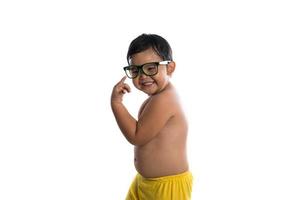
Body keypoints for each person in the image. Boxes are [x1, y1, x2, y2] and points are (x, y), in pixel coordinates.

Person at [111, 33, 193, 199]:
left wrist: (116, 104)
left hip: (167, 187)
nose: (143, 76)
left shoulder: (165, 100)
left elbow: (137, 136)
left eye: (151, 68)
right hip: (145, 182)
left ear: (169, 68)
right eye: (136, 70)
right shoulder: (156, 98)